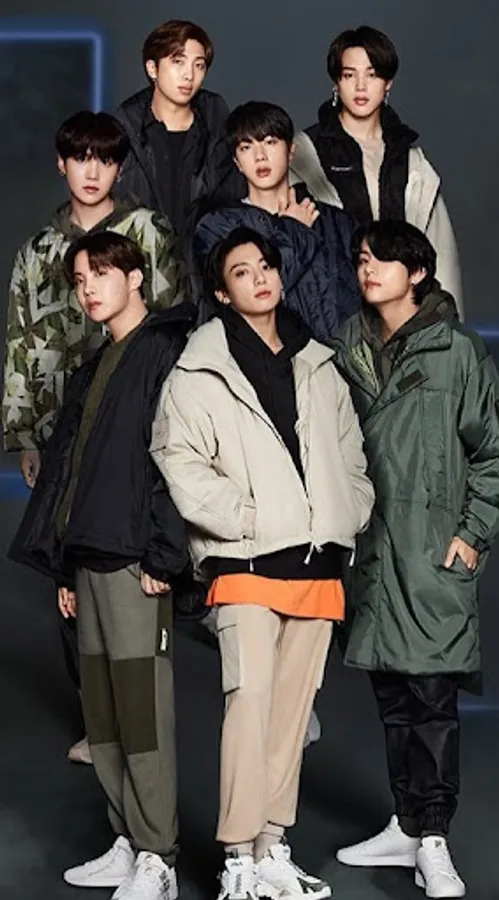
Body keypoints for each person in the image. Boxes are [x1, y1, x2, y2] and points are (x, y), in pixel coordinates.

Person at [151, 226, 374, 900]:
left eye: (265, 267)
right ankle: (237, 859)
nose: (259, 279)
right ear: (222, 292)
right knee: (248, 704)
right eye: (241, 272)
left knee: (290, 714)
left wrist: (347, 510)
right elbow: (177, 457)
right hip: (244, 561)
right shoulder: (197, 369)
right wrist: (244, 518)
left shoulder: (318, 363)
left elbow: (351, 453)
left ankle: (272, 845)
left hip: (317, 563)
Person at [9, 231, 198, 900]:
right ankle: (128, 840)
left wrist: (164, 553)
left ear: (136, 277)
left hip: (134, 562)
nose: (88, 288)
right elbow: (73, 475)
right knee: (105, 714)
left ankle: (158, 858)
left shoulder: (164, 351)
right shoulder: (97, 366)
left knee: (142, 715)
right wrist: (64, 567)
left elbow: (178, 456)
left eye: (101, 273)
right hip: (88, 559)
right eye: (80, 279)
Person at [2, 110, 185, 763]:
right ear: (62, 164)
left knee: (132, 559)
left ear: (118, 167)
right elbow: (21, 340)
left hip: (132, 416)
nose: (91, 171)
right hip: (62, 426)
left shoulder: (147, 233)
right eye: (80, 158)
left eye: (104, 159)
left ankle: (140, 711)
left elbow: (172, 321)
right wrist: (26, 433)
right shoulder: (38, 251)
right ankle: (95, 715)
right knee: (67, 572)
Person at [331, 220, 499, 899]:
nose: (368, 269)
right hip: (369, 550)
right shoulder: (345, 347)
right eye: (362, 259)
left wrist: (473, 533)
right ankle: (405, 825)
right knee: (394, 700)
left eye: (383, 260)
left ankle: (433, 838)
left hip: (432, 552)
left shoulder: (456, 352)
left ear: (419, 273)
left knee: (431, 703)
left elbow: (490, 452)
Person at [289, 26, 462, 316]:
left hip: (406, 318)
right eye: (349, 75)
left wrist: (447, 326)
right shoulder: (304, 154)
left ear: (388, 83)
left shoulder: (412, 161)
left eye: (372, 75)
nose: (361, 87)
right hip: (332, 318)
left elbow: (440, 254)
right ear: (336, 81)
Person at [196, 100, 361, 340]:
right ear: (237, 162)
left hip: (341, 359)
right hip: (267, 360)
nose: (260, 156)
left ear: (291, 151)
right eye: (246, 147)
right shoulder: (218, 227)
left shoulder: (337, 222)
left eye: (270, 142)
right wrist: (295, 230)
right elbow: (242, 300)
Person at [115, 19, 244, 302]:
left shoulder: (218, 131)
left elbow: (233, 206)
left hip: (208, 287)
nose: (189, 75)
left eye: (199, 65)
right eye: (178, 61)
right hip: (138, 288)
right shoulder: (123, 134)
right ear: (152, 69)